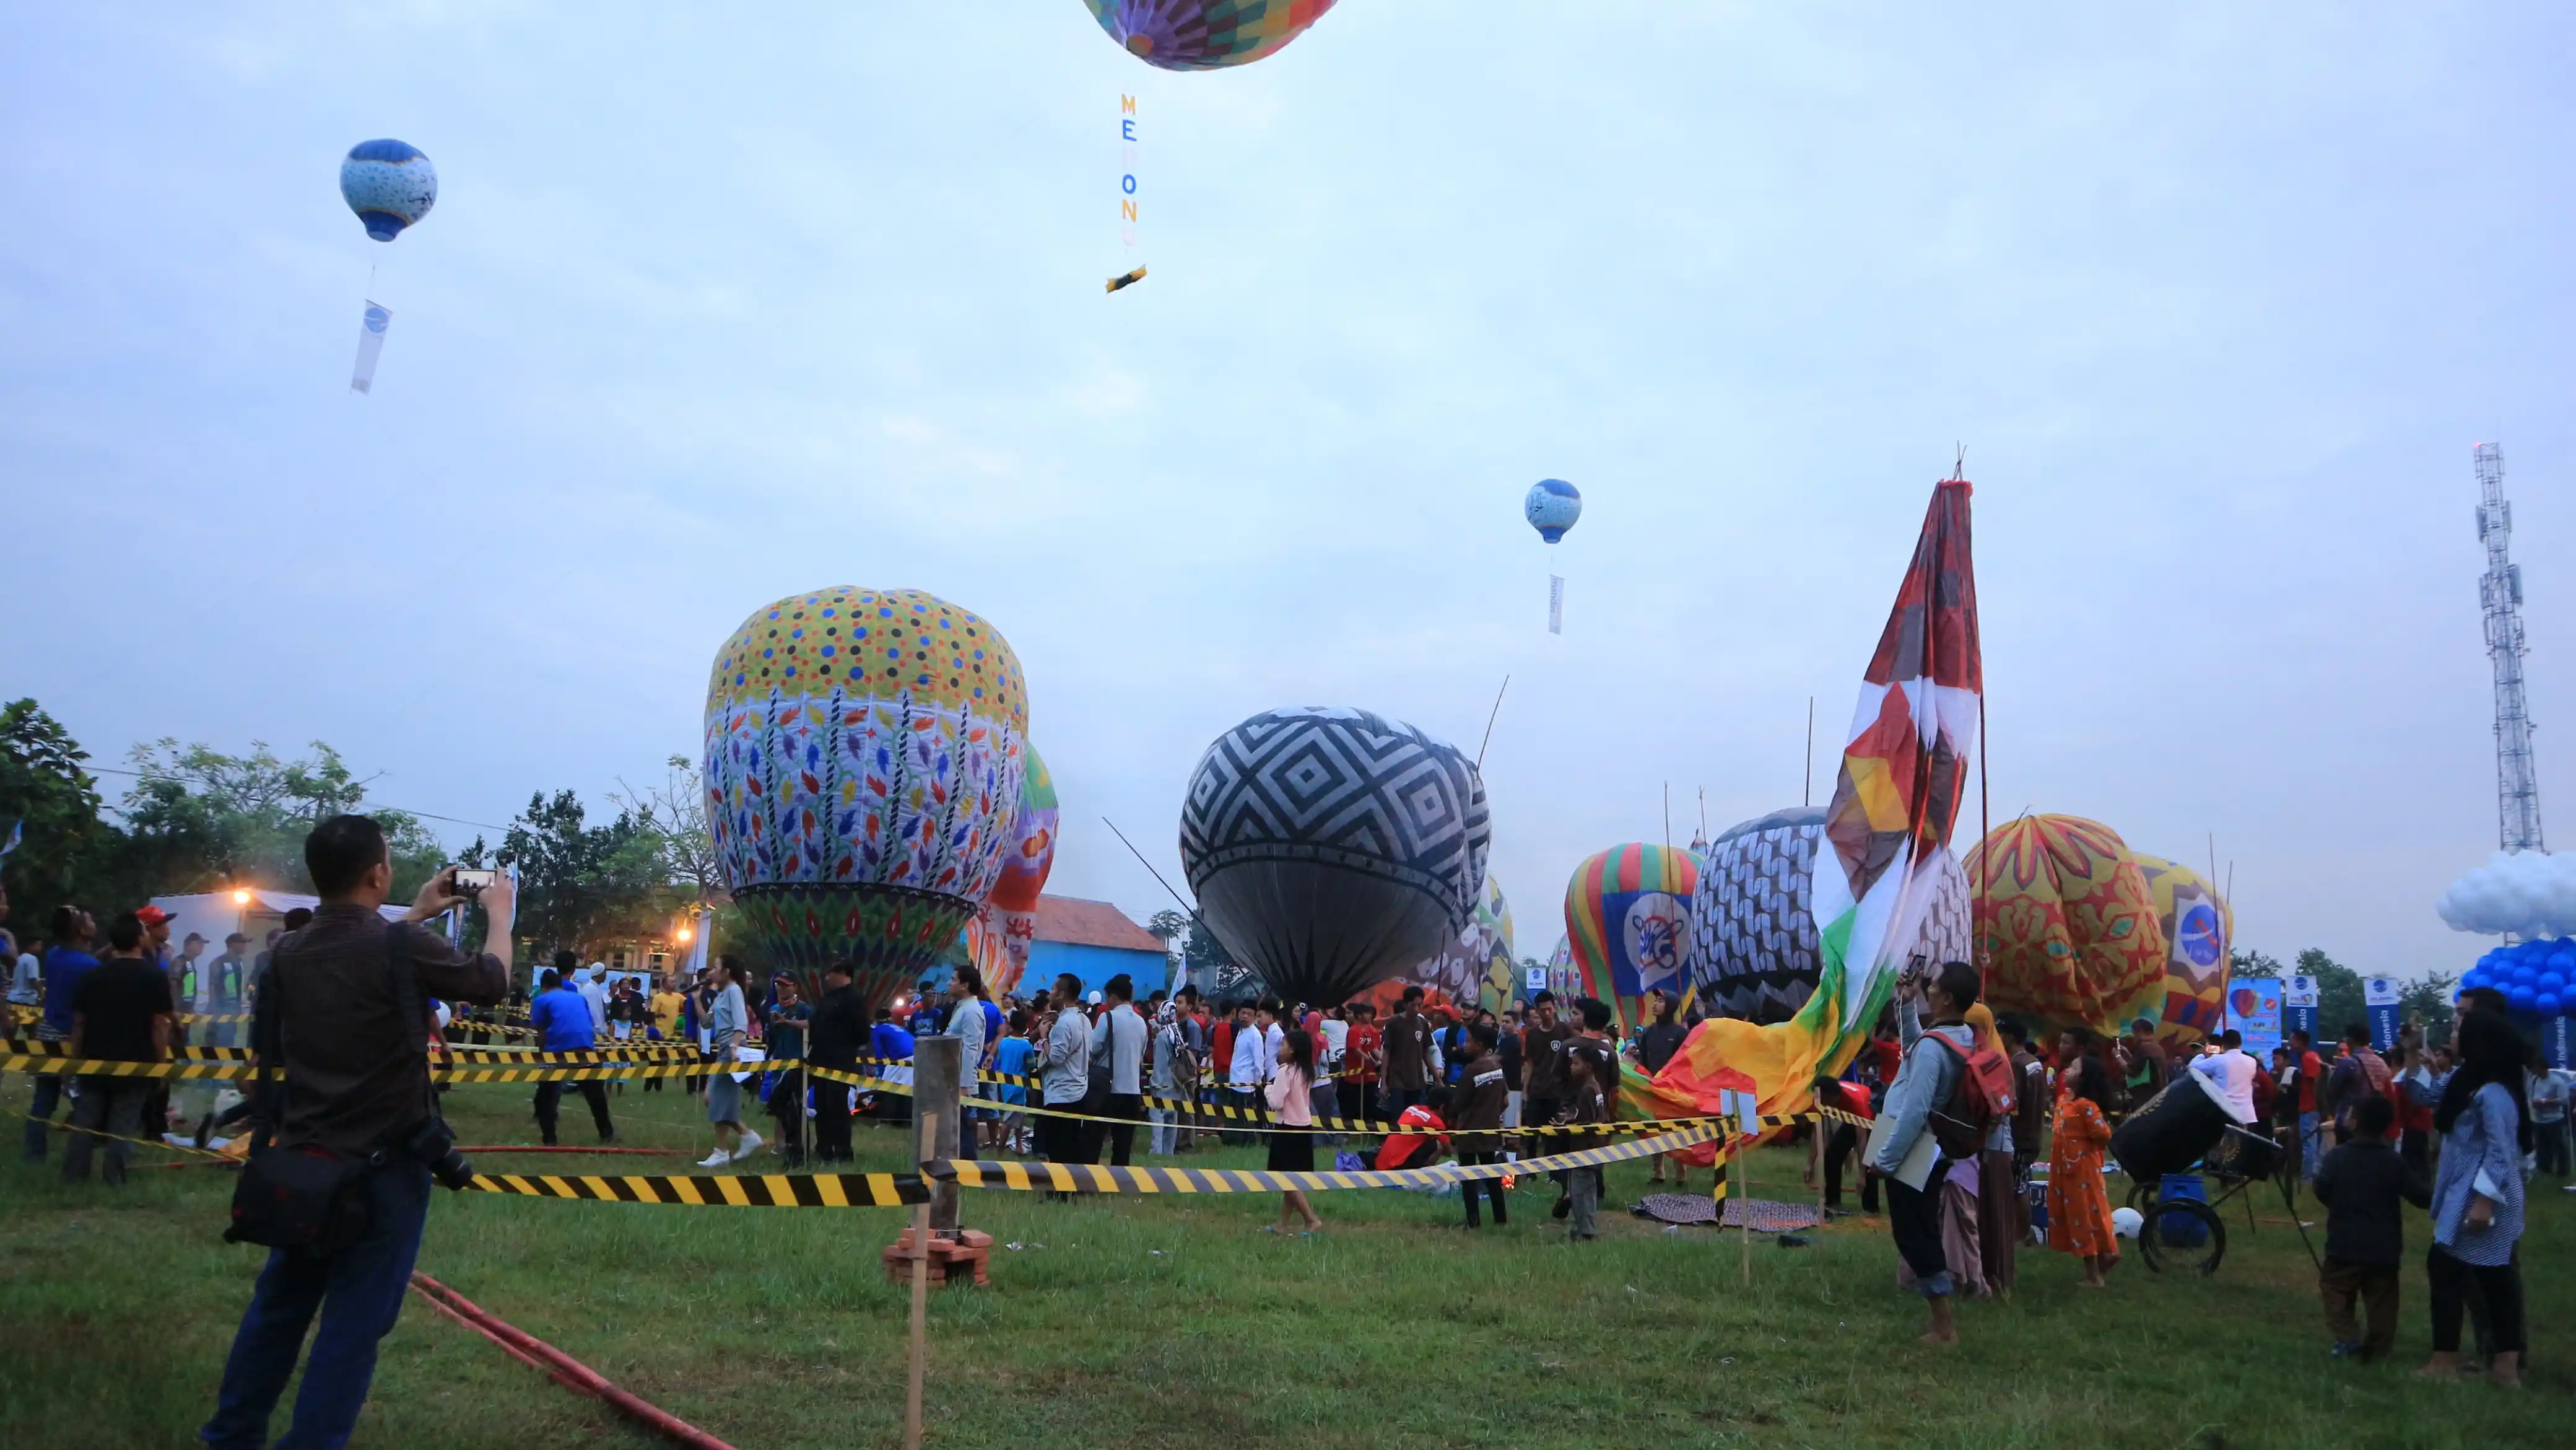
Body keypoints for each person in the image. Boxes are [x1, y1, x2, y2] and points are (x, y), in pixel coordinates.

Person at [201, 817, 511, 1450]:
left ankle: (231, 1435)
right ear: (379, 873)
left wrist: (417, 912)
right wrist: (500, 914)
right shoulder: (396, 945)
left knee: (278, 1309)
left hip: (301, 1161)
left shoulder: (290, 951)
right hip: (383, 1168)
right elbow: (491, 981)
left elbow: (358, 950)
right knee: (352, 1325)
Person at [1870, 959, 1984, 1343]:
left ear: (1948, 998)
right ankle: (1940, 1321)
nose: (1928, 990)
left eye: (1933, 988)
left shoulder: (1936, 1049)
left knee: (1915, 1234)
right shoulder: (1958, 1035)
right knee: (1920, 1230)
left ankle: (1944, 1327)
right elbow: (1917, 1049)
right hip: (1933, 1147)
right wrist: (1906, 1004)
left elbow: (1916, 1109)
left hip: (1914, 1148)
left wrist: (1885, 1159)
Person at [2418, 1011, 2531, 1387]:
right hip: (2468, 1190)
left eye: (2456, 1029)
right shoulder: (2469, 1080)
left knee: (2455, 1270)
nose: (2451, 1034)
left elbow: (2501, 1152)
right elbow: (2429, 1095)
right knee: (2488, 1278)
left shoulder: (2494, 1092)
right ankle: (2501, 1367)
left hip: (2484, 1193)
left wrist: (2484, 1201)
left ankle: (2450, 1363)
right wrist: (2417, 1060)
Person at [61, 912, 175, 1184]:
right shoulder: (154, 977)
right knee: (122, 1125)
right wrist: (161, 1067)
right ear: (138, 939)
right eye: (145, 933)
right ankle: (115, 1178)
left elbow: (79, 1024)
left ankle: (74, 1177)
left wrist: (71, 1065)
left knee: (85, 1122)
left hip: (93, 1061)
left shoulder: (93, 975)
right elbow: (159, 1026)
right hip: (136, 1063)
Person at [2314, 1094, 2429, 1361]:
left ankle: (2347, 1338)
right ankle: (2379, 1347)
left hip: (2344, 1243)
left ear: (2354, 1122)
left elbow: (2322, 1188)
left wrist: (2337, 1205)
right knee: (2383, 1301)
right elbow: (2419, 1196)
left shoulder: (2338, 1158)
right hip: (2384, 1247)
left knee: (2335, 1290)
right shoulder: (2394, 1161)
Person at [23, 905, 97, 1163]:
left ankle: (34, 1153)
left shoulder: (55, 954)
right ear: (80, 930)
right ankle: (87, 1151)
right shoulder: (89, 966)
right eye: (85, 917)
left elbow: (82, 961)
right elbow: (90, 969)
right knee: (82, 1098)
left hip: (47, 1032)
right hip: (72, 1039)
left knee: (44, 1097)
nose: (91, 918)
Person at [2047, 1042, 2121, 1290]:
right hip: (2064, 1169)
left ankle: (2094, 1274)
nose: (2068, 1069)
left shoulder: (2085, 1106)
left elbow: (2103, 1134)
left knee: (2085, 1215)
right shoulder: (2064, 1100)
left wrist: (2081, 1149)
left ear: (2084, 1077)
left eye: (2074, 1067)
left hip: (2081, 1170)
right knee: (2077, 1214)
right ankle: (2104, 1257)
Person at [528, 966, 616, 1146]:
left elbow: (540, 1030)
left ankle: (550, 1138)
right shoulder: (578, 997)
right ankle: (606, 1133)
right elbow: (588, 1024)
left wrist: (542, 1055)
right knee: (595, 1094)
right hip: (586, 1047)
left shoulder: (542, 999)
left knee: (546, 1095)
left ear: (543, 986)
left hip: (558, 1050)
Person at [697, 957, 761, 1168]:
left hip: (731, 1050)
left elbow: (741, 1022)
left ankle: (722, 1152)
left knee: (716, 1098)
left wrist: (734, 1047)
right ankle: (747, 1135)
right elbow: (707, 1023)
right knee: (714, 1098)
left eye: (716, 968)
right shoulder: (721, 995)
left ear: (727, 971)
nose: (712, 972)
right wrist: (697, 999)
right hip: (723, 1050)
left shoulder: (734, 991)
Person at [1262, 1026, 1325, 1234]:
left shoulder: (1285, 1071)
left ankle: (1311, 1219)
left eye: (1283, 1045)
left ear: (1293, 1050)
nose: (1280, 1049)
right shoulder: (1305, 1071)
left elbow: (1276, 1103)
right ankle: (1283, 1224)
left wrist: (1268, 1089)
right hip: (1304, 1127)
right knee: (1292, 1178)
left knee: (1285, 1178)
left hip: (1287, 1128)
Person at [806, 962, 868, 1163]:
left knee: (838, 1106)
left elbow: (862, 1033)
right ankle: (823, 1148)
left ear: (842, 973)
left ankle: (843, 1151)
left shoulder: (855, 999)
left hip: (840, 1062)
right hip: (820, 1060)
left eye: (829, 974)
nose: (825, 978)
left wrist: (841, 1044)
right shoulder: (827, 998)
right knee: (822, 1105)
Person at [1451, 1021, 1510, 1229]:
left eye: (1468, 1041)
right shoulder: (1497, 1068)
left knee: (1469, 1178)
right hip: (1491, 1132)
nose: (1465, 1045)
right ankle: (1500, 1218)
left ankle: (1473, 1221)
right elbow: (1506, 1101)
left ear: (1480, 1045)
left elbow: (1458, 1104)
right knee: (1492, 1176)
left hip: (1469, 1132)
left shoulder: (1471, 1070)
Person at [1556, 1041, 1611, 1242]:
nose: (1572, 1067)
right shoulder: (1596, 1088)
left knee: (1580, 1193)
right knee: (1588, 1190)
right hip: (1595, 1147)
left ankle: (1584, 1231)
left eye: (1576, 1064)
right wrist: (1571, 1119)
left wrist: (1567, 1127)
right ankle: (1586, 1228)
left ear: (1588, 1067)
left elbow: (1586, 1125)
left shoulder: (1587, 1090)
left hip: (1584, 1149)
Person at [1089, 973, 1146, 1166]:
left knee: (1094, 1139)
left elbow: (1093, 1047)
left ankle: (1090, 1178)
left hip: (1109, 1088)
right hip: (1132, 1090)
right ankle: (1119, 1180)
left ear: (1113, 996)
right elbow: (1141, 1053)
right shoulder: (1141, 1022)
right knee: (1123, 1143)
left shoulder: (1108, 1018)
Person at [1037, 973, 1092, 1168]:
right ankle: (1069, 1192)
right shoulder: (1083, 1020)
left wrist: (1044, 1037)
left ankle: (1059, 1193)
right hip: (1078, 1089)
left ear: (1061, 994)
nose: (1050, 994)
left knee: (1058, 1148)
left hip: (1062, 1093)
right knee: (1072, 1147)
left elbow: (1055, 1058)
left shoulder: (1065, 1024)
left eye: (1053, 989)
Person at [1636, 991, 1689, 1185]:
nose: (1655, 1004)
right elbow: (1642, 1060)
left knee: (1677, 1132)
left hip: (1674, 1090)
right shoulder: (1649, 1032)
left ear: (1672, 1006)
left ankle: (1681, 1175)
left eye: (1660, 1001)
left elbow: (1685, 1062)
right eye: (1656, 1000)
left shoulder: (1680, 1033)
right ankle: (1658, 1173)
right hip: (1652, 1089)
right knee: (1654, 1130)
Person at [765, 974, 813, 1167]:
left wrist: (788, 1022)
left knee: (796, 1106)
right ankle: (780, 1145)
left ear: (795, 987)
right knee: (779, 1106)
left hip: (797, 1064)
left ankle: (798, 1145)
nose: (781, 989)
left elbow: (811, 1026)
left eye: (785, 985)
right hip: (778, 1062)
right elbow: (772, 1036)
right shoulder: (773, 1009)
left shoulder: (804, 1009)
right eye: (778, 985)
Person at [941, 965, 986, 1163]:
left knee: (962, 1129)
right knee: (954, 1128)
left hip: (960, 1082)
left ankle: (971, 1169)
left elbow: (970, 1050)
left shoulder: (971, 1012)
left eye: (953, 979)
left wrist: (964, 1086)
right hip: (952, 1078)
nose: (949, 983)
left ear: (964, 985)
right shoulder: (963, 1008)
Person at [1521, 991, 1572, 1138]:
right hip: (1537, 1090)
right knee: (1532, 1134)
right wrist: (1525, 1090)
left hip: (1558, 1091)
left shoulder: (1564, 1030)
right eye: (1543, 1010)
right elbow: (1529, 1063)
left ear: (1554, 1007)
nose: (1547, 1013)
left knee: (1555, 1136)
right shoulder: (1532, 1035)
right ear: (1537, 1011)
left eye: (1549, 1008)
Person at [1382, 987, 1435, 1116]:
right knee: (1398, 1118)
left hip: (1417, 1079)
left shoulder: (1423, 1024)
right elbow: (1386, 1052)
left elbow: (1426, 1052)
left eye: (1419, 1005)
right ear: (1405, 1004)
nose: (1416, 1009)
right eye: (1413, 1005)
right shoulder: (1393, 1023)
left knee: (1413, 1117)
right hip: (1397, 1079)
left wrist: (1437, 1079)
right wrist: (1383, 1082)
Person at [2191, 1028, 2260, 1124]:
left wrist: (2203, 1054)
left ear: (2224, 1044)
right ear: (2240, 1043)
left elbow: (2193, 1067)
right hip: (2247, 1115)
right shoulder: (2252, 1061)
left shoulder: (2218, 1060)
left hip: (2225, 1114)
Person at [991, 1009, 1037, 1155]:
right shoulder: (1027, 1046)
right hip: (1019, 1086)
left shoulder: (1003, 1043)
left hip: (1005, 1085)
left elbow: (1000, 1060)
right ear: (1025, 1027)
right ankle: (1000, 1151)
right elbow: (1031, 1066)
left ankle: (1018, 1145)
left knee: (1019, 1115)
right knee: (1009, 1120)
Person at [204, 931, 253, 1048]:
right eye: (242, 943)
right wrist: (215, 1014)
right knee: (215, 1050)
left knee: (226, 1047)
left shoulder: (240, 962)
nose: (245, 946)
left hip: (233, 1013)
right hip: (221, 1013)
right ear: (233, 944)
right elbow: (213, 988)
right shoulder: (219, 962)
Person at [2288, 1028, 2326, 1179]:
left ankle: (2309, 1177)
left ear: (2300, 1042)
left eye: (2292, 1040)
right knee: (2313, 1144)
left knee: (2309, 1144)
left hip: (2309, 1108)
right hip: (2312, 1108)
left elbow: (2316, 1082)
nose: (2290, 1044)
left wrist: (2316, 1104)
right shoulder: (2313, 1056)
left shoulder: (2308, 1058)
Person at [2523, 1048, 2566, 1179]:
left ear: (2544, 1068)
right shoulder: (2534, 1080)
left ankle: (2563, 1170)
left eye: (2537, 1069)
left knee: (2559, 1146)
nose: (2535, 1071)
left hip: (2554, 1119)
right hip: (2539, 1120)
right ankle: (2544, 1168)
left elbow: (2563, 1100)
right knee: (2542, 1147)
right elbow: (2529, 1096)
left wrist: (2545, 1101)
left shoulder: (2557, 1082)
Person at [1341, 1001, 1383, 1125]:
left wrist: (1382, 1061)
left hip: (1369, 1075)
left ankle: (1368, 1126)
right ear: (1359, 1016)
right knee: (1355, 1103)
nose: (1370, 1016)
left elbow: (1373, 1048)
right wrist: (1371, 1061)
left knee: (1369, 1102)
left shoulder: (1370, 1031)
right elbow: (1356, 1050)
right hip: (1356, 1075)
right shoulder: (1354, 1031)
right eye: (1367, 1014)